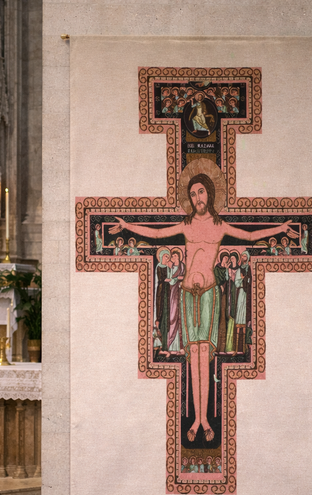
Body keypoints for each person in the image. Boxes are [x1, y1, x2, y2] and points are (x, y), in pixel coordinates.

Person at [109, 172, 294, 443]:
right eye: (193, 194)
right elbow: (158, 233)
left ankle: (204, 418)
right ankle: (196, 418)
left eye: (201, 192)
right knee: (191, 356)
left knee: (203, 356)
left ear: (210, 193)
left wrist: (279, 229)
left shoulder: (220, 226)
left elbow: (251, 236)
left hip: (208, 296)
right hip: (186, 295)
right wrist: (127, 225)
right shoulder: (186, 224)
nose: (197, 198)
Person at [166, 248, 185, 355]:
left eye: (173, 256)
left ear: (178, 257)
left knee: (181, 318)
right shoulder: (171, 267)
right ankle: (172, 345)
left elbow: (185, 277)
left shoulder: (183, 267)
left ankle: (181, 347)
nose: (172, 258)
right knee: (172, 316)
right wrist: (177, 278)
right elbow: (170, 280)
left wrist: (176, 279)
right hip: (172, 293)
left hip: (181, 293)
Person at [234, 250, 251, 354]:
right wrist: (243, 280)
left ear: (248, 257)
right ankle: (236, 348)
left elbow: (250, 280)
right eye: (242, 255)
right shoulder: (239, 269)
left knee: (245, 319)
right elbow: (236, 283)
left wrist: (244, 279)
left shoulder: (249, 269)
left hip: (248, 294)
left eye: (245, 255)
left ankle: (245, 347)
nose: (243, 257)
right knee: (239, 318)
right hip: (241, 293)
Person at [214, 251, 230, 353]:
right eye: (224, 258)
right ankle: (216, 346)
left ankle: (223, 347)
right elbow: (216, 279)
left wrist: (227, 270)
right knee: (218, 316)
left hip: (225, 293)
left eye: (227, 258)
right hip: (218, 292)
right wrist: (220, 285)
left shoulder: (226, 268)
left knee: (224, 317)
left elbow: (227, 280)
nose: (226, 260)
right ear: (221, 258)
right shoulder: (217, 268)